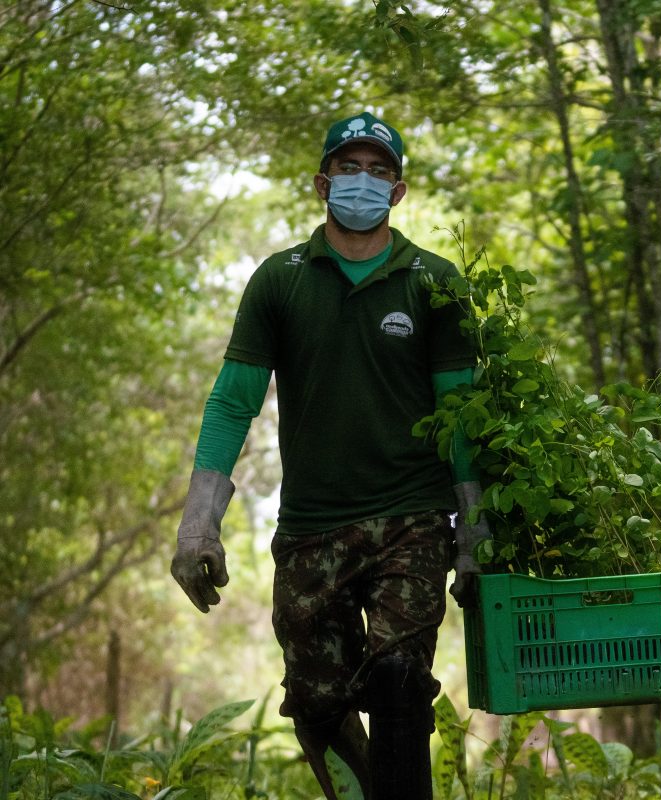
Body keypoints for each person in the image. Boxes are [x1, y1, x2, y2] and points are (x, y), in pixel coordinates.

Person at [170, 111, 491, 800]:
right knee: (317, 707)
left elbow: (462, 417)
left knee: (400, 683)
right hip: (312, 527)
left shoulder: (434, 283)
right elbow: (233, 402)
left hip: (412, 520)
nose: (363, 181)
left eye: (380, 170)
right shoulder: (279, 282)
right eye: (350, 167)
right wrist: (199, 521)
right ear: (322, 182)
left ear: (398, 193)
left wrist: (474, 531)